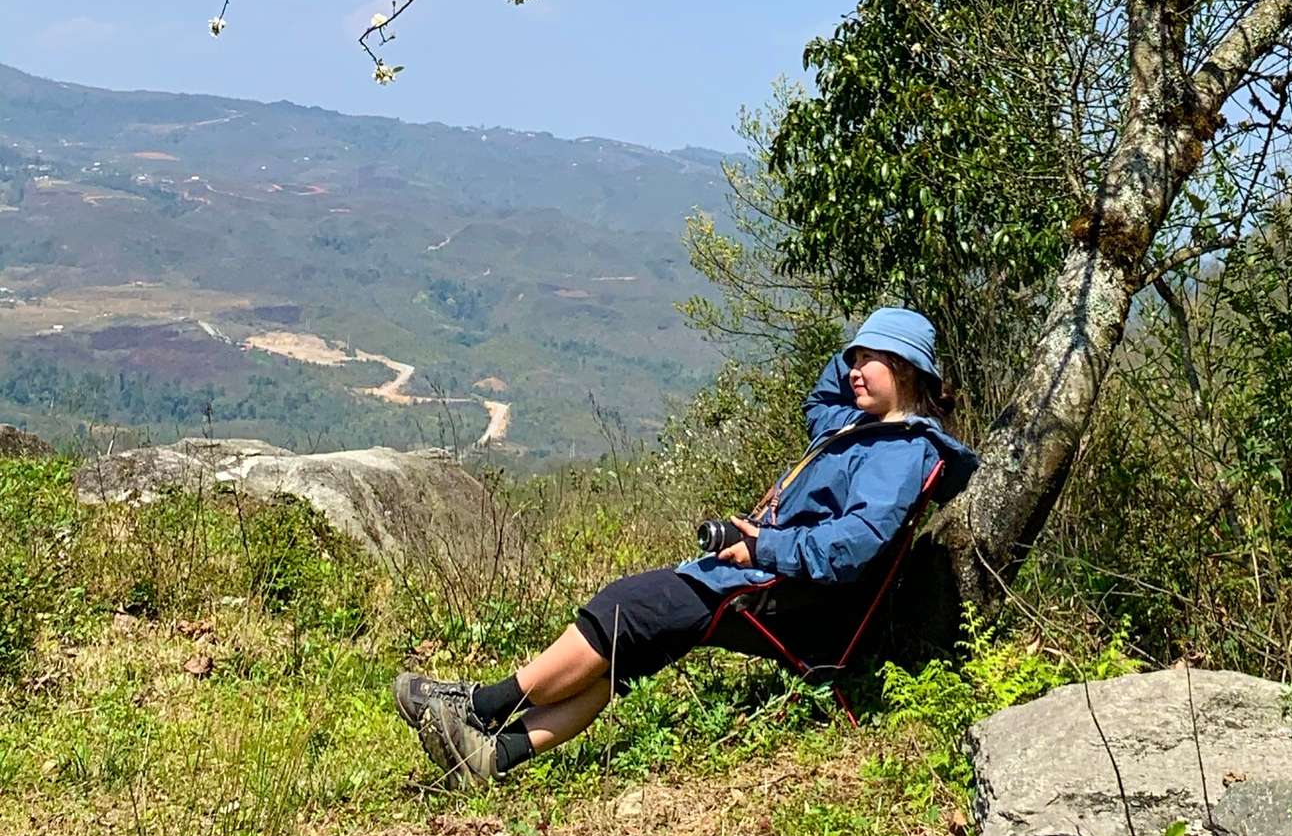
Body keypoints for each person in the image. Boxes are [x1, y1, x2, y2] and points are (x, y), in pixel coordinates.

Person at [393, 306, 976, 786]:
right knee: (630, 651)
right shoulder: (853, 424)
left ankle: (480, 706)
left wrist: (765, 548)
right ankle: (493, 758)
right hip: (767, 578)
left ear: (904, 367)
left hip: (791, 595)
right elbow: (819, 398)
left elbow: (857, 543)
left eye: (870, 359)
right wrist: (860, 346)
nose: (853, 370)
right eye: (854, 358)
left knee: (627, 606)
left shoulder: (902, 451)